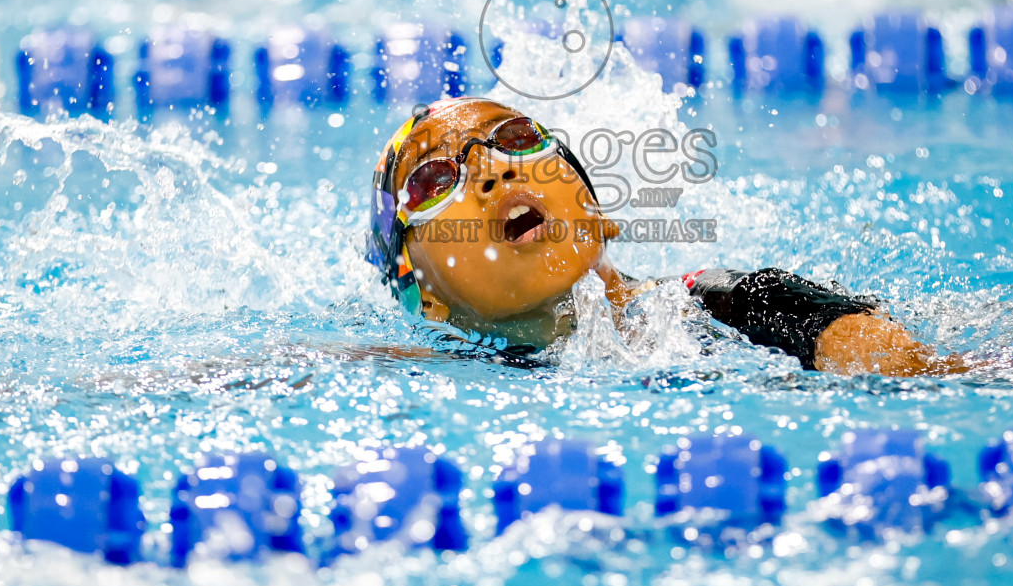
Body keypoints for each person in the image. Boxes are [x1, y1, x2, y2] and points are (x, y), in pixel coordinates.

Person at [366, 96, 961, 376]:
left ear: (598, 213)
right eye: (435, 180)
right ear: (422, 291)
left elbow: (921, 374)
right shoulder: (405, 375)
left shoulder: (727, 305)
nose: (496, 170)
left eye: (517, 138)